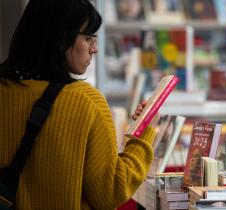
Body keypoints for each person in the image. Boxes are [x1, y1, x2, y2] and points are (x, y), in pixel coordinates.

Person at [0, 0, 156, 209]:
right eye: (88, 38)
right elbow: (110, 194)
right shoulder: (85, 102)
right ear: (61, 39)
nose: (95, 49)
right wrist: (144, 133)